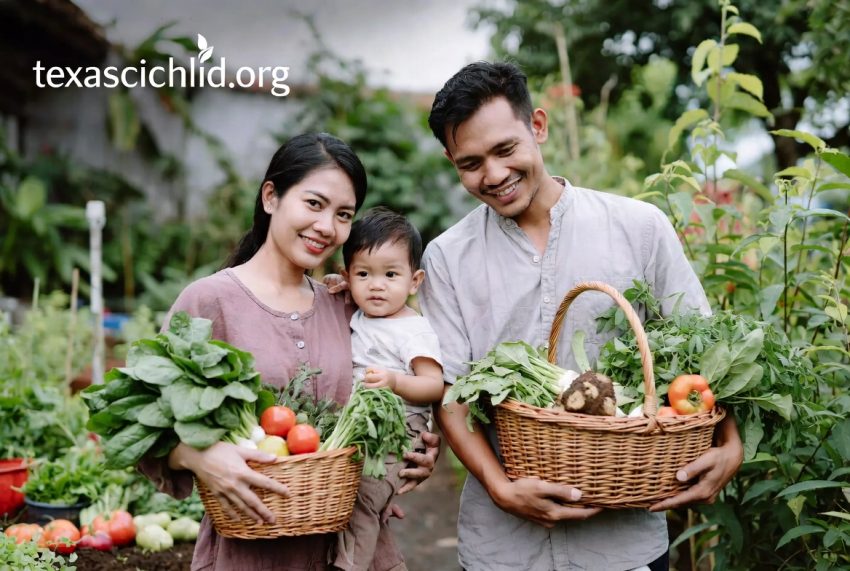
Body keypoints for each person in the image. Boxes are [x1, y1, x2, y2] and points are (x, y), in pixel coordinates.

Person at [418, 62, 744, 571]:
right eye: (471, 163)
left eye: (506, 150)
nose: (495, 175)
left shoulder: (639, 227)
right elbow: (450, 394)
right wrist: (503, 490)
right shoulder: (445, 257)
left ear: (538, 126)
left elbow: (701, 350)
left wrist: (731, 443)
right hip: (502, 548)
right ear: (450, 161)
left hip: (625, 539)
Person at [138, 133, 439, 571]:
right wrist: (197, 456)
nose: (326, 227)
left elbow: (407, 375)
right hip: (252, 553)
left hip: (354, 554)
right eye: (314, 204)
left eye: (343, 215)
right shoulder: (210, 302)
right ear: (271, 196)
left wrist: (412, 451)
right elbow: (142, 421)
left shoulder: (346, 305)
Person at [331, 206, 445, 571]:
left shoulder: (412, 329)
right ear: (348, 276)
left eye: (390, 274)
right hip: (360, 427)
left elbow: (433, 385)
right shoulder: (361, 312)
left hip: (398, 429)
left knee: (364, 499)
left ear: (414, 281)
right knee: (348, 498)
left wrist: (396, 382)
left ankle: (349, 566)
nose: (376, 285)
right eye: (364, 274)